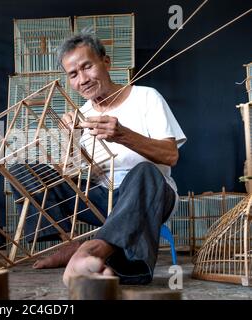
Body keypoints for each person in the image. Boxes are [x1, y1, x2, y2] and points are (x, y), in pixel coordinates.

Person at [11, 32, 186, 286]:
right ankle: (70, 245)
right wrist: (70, 140)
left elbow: (171, 156)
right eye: (73, 74)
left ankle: (92, 251)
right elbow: (72, 177)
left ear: (106, 62)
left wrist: (123, 135)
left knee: (145, 170)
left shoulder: (147, 97)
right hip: (104, 201)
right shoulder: (82, 115)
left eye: (87, 67)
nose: (82, 79)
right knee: (24, 168)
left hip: (150, 195)